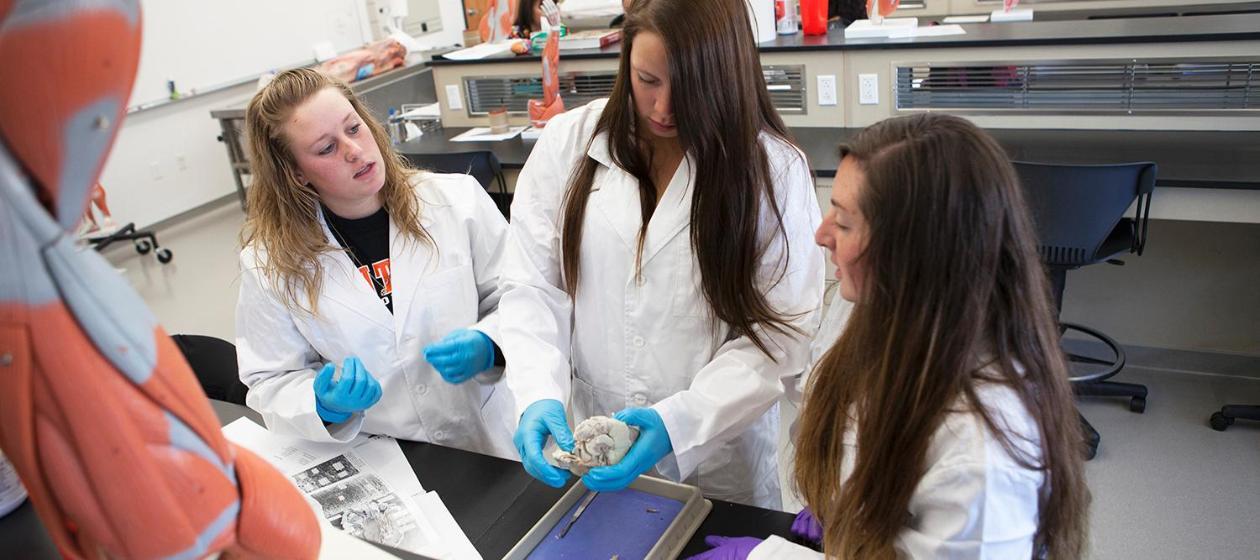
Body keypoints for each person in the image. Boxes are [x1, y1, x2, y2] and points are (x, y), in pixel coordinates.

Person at [690, 113, 1091, 559]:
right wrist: (849, 505)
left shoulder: (981, 457)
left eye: (843, 223)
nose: (821, 235)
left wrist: (769, 559)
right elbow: (838, 407)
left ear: (911, 251)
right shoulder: (868, 301)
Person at [499, 0, 824, 509]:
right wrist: (537, 391)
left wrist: (680, 422)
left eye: (687, 87)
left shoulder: (773, 172)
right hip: (592, 448)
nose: (663, 108)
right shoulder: (568, 144)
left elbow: (780, 334)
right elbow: (534, 285)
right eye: (647, 79)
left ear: (727, 74)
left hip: (718, 460)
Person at [235, 68, 517, 459]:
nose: (354, 150)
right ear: (296, 173)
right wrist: (322, 403)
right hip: (384, 455)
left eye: (353, 128)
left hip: (490, 441)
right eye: (326, 148)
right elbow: (270, 380)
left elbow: (520, 296)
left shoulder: (457, 202)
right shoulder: (269, 265)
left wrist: (491, 343)